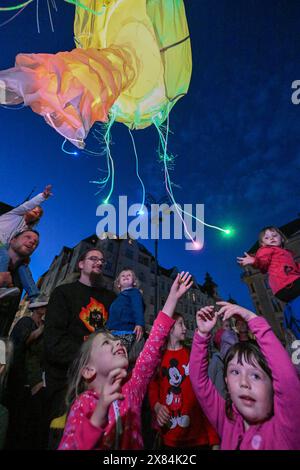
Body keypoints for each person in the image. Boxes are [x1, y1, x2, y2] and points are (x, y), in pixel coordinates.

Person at [58, 272, 193, 450]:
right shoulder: (84, 403)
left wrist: (172, 298)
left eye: (116, 340)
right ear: (89, 370)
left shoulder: (132, 388)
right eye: (107, 342)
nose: (117, 342)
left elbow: (155, 339)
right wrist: (98, 416)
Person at [189, 301, 300, 450]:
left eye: (255, 375)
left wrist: (253, 319)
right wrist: (202, 335)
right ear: (226, 381)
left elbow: (288, 380)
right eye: (235, 372)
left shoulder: (285, 427)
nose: (244, 382)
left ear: (273, 383)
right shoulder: (226, 419)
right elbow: (199, 381)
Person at [44, 248, 116, 426]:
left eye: (102, 261)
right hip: (66, 384)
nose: (99, 262)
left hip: (101, 385)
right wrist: (92, 359)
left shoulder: (111, 298)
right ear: (81, 264)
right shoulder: (63, 293)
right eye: (93, 258)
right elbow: (54, 342)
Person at [148, 313, 219, 449]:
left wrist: (213, 438)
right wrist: (156, 406)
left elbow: (204, 395)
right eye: (181, 324)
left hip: (197, 437)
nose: (185, 328)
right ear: (169, 328)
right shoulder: (159, 358)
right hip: (169, 437)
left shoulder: (191, 355)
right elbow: (153, 385)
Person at [237, 226, 300, 338]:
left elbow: (294, 267)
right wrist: (254, 261)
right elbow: (263, 262)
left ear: (282, 238)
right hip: (286, 283)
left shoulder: (286, 253)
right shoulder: (267, 250)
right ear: (262, 244)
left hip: (286, 287)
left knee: (293, 306)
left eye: (275, 235)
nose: (271, 238)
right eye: (267, 237)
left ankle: (291, 329)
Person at [4, 296, 47, 449]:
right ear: (37, 309)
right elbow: (23, 341)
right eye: (43, 307)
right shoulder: (26, 322)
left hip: (35, 377)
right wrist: (42, 329)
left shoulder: (41, 325)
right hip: (20, 376)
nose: (45, 309)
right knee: (18, 414)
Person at [0, 185, 52, 300]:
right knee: (3, 253)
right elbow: (28, 204)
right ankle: (2, 284)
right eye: (34, 209)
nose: (35, 212)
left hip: (4, 247)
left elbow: (20, 246)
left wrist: (26, 256)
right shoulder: (15, 214)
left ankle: (35, 298)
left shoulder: (26, 230)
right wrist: (43, 196)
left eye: (38, 213)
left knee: (22, 266)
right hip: (1, 244)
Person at [0, 230, 40, 336]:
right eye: (27, 237)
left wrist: (37, 311)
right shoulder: (2, 253)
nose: (32, 242)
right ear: (13, 240)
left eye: (35, 243)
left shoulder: (20, 277)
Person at [106, 269, 145, 356]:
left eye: (129, 275)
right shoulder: (117, 299)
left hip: (126, 332)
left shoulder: (134, 292)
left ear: (134, 282)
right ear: (118, 284)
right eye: (123, 276)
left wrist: (139, 323)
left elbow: (138, 307)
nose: (126, 276)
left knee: (117, 355)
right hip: (112, 333)